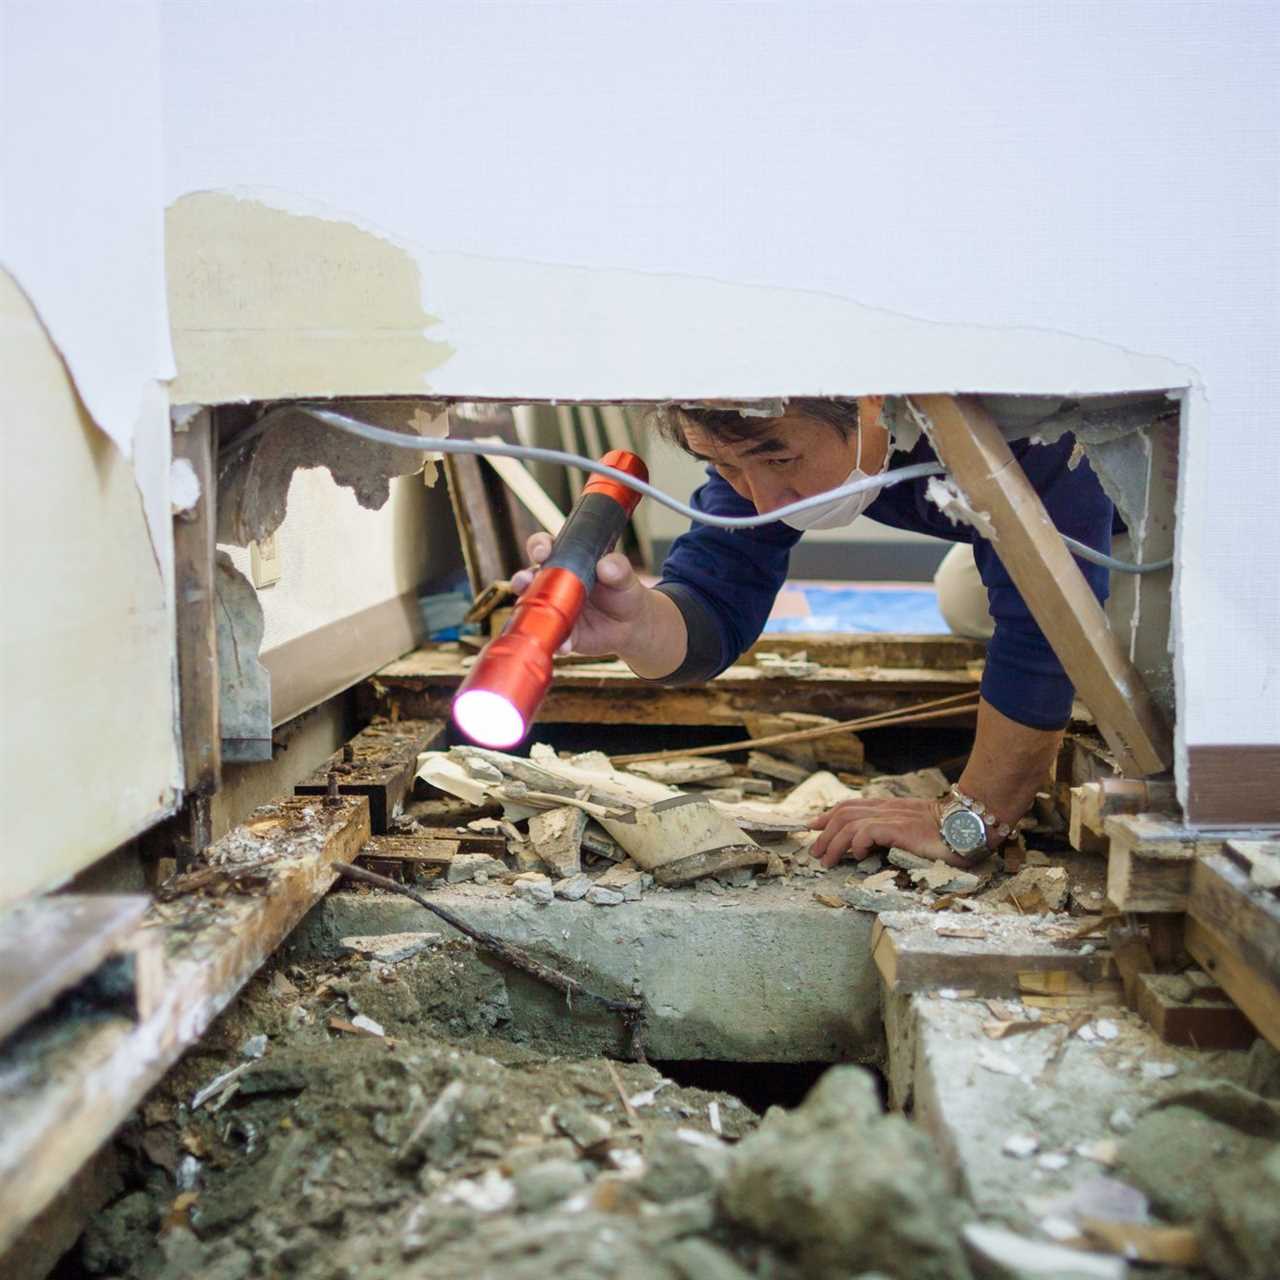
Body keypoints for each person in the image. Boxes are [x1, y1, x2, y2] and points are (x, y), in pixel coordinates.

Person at [514, 396, 1116, 868]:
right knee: (964, 600)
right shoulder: (757, 439)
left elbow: (1047, 630)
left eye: (781, 461)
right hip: (1024, 525)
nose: (761, 497)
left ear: (872, 402)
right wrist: (636, 624)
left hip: (1150, 524)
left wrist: (969, 817)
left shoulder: (1023, 429)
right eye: (725, 466)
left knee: (1126, 658)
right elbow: (714, 601)